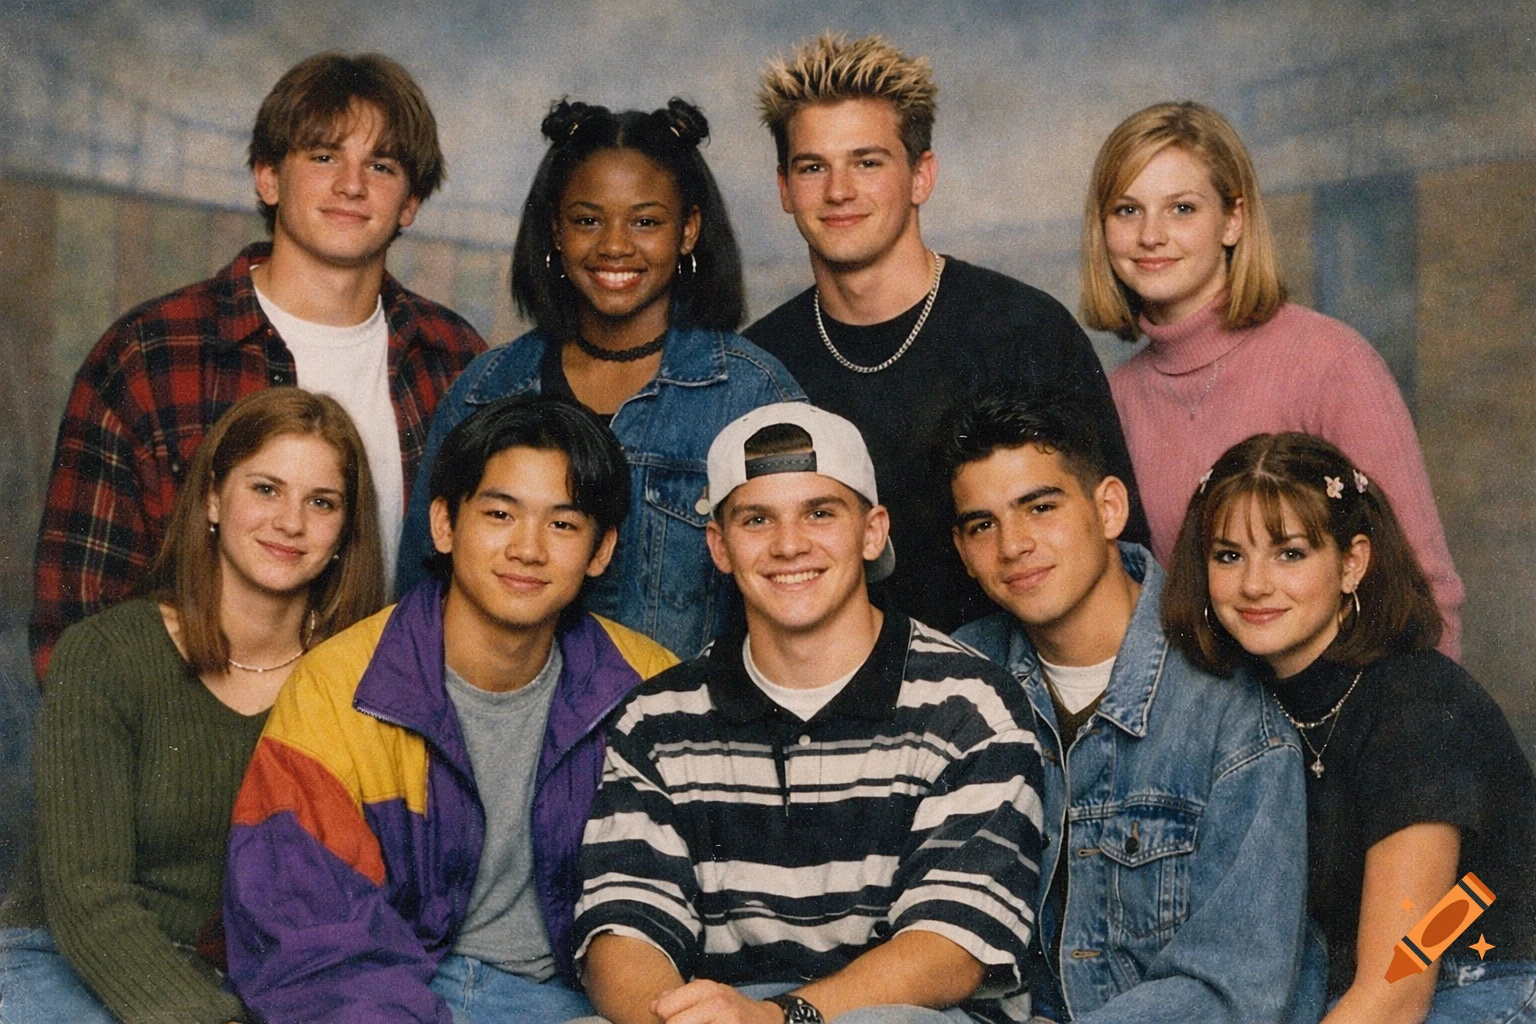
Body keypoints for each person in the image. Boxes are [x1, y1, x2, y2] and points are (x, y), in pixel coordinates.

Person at [574, 403, 1043, 1024]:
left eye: (820, 513)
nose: (789, 545)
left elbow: (950, 948)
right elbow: (622, 928)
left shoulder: (970, 702)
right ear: (719, 545)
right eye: (756, 519)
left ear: (873, 531)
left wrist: (780, 1019)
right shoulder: (657, 719)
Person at [29, 50, 486, 677]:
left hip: (394, 754)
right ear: (267, 178)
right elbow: (74, 632)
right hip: (196, 751)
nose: (351, 185)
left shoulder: (460, 363)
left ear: (410, 203)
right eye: (324, 156)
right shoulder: (149, 355)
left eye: (380, 166)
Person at [224, 395, 678, 1024]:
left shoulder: (650, 687)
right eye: (499, 513)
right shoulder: (339, 687)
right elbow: (309, 941)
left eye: (563, 525)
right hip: (404, 994)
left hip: (580, 1005)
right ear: (444, 525)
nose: (528, 548)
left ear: (601, 552)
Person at [0, 387, 385, 1024]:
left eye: (321, 502)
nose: (291, 522)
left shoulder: (353, 681)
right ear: (212, 498)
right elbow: (88, 898)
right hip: (67, 961)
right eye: (265, 489)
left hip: (252, 980)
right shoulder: (106, 656)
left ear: (346, 530)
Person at [743, 33, 1146, 634]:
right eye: (812, 167)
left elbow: (1117, 550)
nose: (838, 191)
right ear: (784, 188)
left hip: (1016, 689)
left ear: (921, 176)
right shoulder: (760, 364)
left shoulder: (1024, 331)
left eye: (868, 162)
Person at [933, 387, 1311, 1023]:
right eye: (983, 524)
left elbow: (1233, 986)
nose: (1013, 545)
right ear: (963, 550)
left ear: (1108, 507)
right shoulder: (953, 679)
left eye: (1040, 507)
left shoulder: (1228, 704)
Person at [396, 98, 803, 660]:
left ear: (688, 230)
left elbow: (801, 599)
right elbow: (418, 596)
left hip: (682, 735)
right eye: (588, 220)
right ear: (555, 231)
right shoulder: (487, 389)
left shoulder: (751, 395)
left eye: (645, 221)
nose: (615, 245)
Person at [1162, 432, 1536, 1024]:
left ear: (1352, 563)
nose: (1255, 584)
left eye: (1289, 553)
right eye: (1229, 555)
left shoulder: (1413, 704)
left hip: (1484, 984)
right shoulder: (1237, 699)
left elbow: (1399, 985)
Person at [1081, 100, 1463, 657]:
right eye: (1127, 210)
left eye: (1182, 208)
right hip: (1207, 723)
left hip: (1341, 717)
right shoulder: (1113, 400)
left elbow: (1426, 590)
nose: (1151, 236)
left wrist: (1403, 737)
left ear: (1233, 220)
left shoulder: (1331, 363)